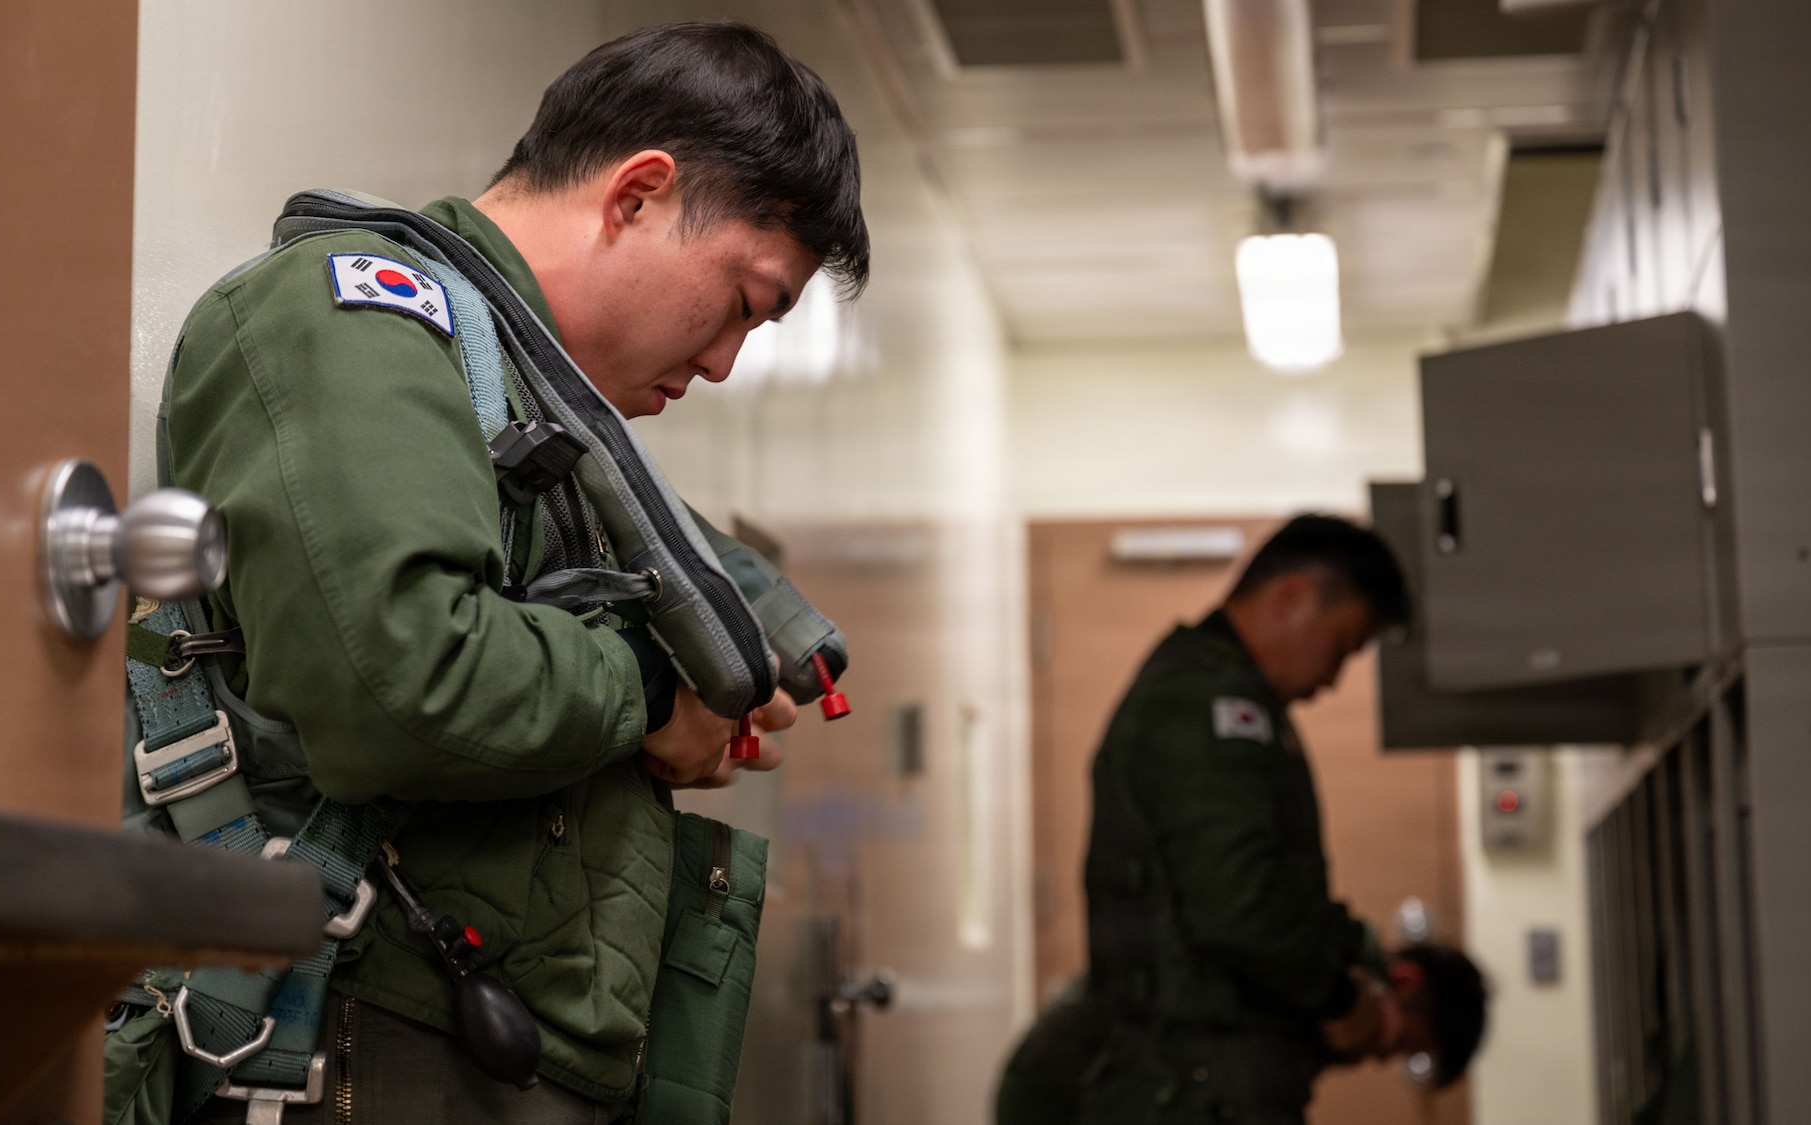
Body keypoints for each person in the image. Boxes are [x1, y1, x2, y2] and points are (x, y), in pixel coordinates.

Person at [137, 22, 867, 1124]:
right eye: (741, 299)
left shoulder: (540, 411)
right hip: (364, 1032)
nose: (724, 362)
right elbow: (404, 683)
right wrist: (653, 695)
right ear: (638, 195)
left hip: (481, 1042)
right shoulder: (354, 320)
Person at [995, 516, 1488, 1125]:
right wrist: (1340, 1000)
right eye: (1340, 648)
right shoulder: (1209, 705)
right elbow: (1237, 902)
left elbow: (1271, 898)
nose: (1333, 679)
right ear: (1293, 598)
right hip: (1190, 1090)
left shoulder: (1226, 699)